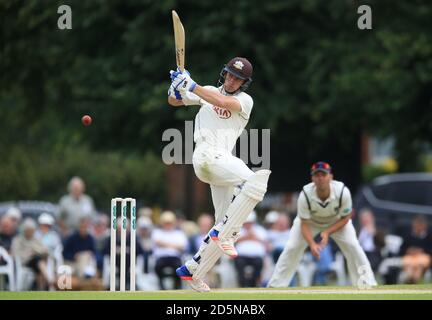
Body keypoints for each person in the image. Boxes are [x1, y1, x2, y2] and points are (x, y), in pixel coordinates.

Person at [168, 57, 271, 292]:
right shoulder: (209, 91)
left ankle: (193, 270)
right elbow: (173, 101)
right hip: (205, 155)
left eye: (238, 79)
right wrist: (176, 85)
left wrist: (192, 85)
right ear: (224, 73)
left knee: (222, 222)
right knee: (255, 182)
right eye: (230, 75)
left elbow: (223, 102)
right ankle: (224, 232)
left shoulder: (245, 101)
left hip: (221, 162)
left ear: (244, 83)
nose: (232, 80)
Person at [268, 161, 377, 288]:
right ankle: (276, 285)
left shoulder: (342, 192)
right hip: (310, 222)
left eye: (323, 175)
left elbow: (346, 218)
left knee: (353, 246)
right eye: (317, 175)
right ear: (312, 178)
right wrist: (312, 244)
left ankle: (366, 283)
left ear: (330, 177)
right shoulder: (305, 194)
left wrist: (326, 232)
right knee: (292, 247)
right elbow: (303, 223)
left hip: (337, 221)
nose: (320, 178)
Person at [11, 218, 51, 290]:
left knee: (40, 260)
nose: (30, 232)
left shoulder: (35, 239)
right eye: (28, 230)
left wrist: (36, 251)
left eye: (32, 230)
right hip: (24, 262)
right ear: (24, 230)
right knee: (38, 261)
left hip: (36, 262)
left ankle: (42, 288)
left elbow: (44, 250)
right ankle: (49, 281)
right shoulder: (18, 240)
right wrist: (29, 254)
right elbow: (15, 254)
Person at [151, 211, 188, 290]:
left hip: (174, 257)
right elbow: (157, 242)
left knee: (179, 269)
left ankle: (176, 287)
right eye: (166, 222)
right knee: (158, 267)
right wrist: (174, 245)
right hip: (161, 257)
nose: (168, 225)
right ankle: (162, 287)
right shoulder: (157, 232)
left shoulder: (179, 233)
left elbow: (182, 246)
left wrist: (165, 244)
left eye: (169, 222)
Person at [234, 211, 269, 287]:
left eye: (250, 223)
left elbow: (266, 244)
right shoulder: (238, 230)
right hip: (241, 256)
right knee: (239, 263)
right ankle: (242, 283)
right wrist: (246, 237)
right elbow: (233, 243)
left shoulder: (260, 230)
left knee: (258, 263)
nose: (248, 225)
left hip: (256, 257)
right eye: (246, 223)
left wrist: (254, 237)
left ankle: (254, 283)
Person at [399, 216, 432, 284]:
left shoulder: (429, 236)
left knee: (420, 265)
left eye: (420, 225)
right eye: (417, 224)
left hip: (422, 258)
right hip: (410, 258)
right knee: (409, 265)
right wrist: (409, 250)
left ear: (424, 226)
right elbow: (401, 250)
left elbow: (430, 250)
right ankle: (409, 279)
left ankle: (415, 280)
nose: (418, 227)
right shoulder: (408, 236)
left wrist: (421, 250)